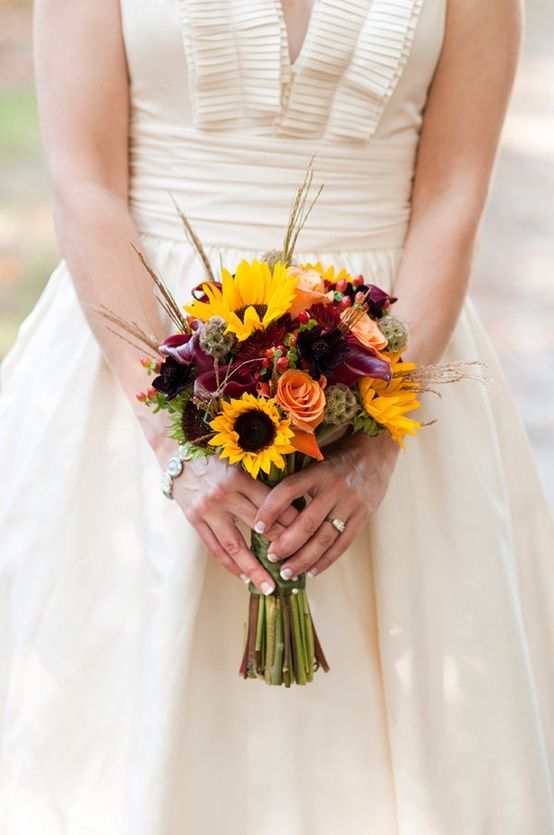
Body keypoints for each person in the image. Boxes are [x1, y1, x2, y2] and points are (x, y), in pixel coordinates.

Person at [0, 0, 552, 832]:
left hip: (385, 355)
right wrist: (171, 439)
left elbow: (451, 195)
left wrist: (376, 442)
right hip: (141, 354)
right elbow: (84, 186)